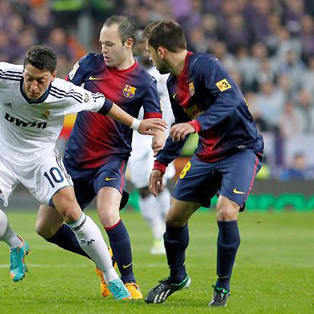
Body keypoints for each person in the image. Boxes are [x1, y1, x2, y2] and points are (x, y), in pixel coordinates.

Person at [0, 45, 167, 300]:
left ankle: (111, 276)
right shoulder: (4, 75)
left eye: (41, 80)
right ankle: (16, 245)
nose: (33, 86)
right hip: (1, 153)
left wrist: (137, 124)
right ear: (23, 72)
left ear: (53, 76)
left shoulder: (67, 92)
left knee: (72, 212)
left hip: (41, 158)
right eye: (29, 78)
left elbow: (104, 104)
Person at [34, 16, 166, 299]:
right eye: (101, 43)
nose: (103, 49)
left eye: (110, 44)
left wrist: (158, 137)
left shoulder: (143, 81)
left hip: (111, 159)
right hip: (75, 160)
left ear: (128, 44)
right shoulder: (89, 64)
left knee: (108, 214)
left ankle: (129, 282)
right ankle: (103, 257)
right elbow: (63, 91)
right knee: (45, 228)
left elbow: (154, 119)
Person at [142, 21, 263, 307]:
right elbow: (181, 127)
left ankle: (222, 287)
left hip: (240, 149)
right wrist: (160, 164)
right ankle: (176, 277)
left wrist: (197, 124)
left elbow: (231, 98)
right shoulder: (173, 84)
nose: (149, 58)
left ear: (161, 50)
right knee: (173, 218)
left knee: (225, 212)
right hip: (207, 154)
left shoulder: (205, 65)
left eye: (149, 52)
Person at [129, 30, 176, 255]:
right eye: (140, 44)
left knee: (161, 183)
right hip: (137, 136)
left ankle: (169, 233)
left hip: (163, 134)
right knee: (143, 188)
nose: (143, 47)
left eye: (146, 43)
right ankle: (158, 234)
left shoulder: (167, 72)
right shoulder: (133, 73)